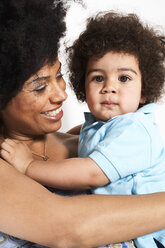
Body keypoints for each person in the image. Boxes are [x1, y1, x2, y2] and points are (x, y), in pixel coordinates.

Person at [1, 1, 165, 248]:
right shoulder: (7, 162)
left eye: (59, 76)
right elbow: (68, 229)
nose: (61, 96)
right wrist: (28, 165)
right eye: (40, 86)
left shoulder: (92, 139)